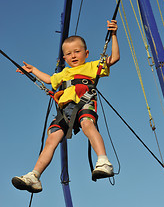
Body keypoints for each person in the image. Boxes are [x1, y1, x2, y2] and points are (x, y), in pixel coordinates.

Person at [12, 20, 120, 193]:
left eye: (77, 52)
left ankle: (104, 161)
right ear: (64, 58)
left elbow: (114, 58)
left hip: (84, 102)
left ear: (86, 53)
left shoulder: (92, 66)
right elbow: (48, 80)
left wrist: (113, 35)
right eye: (69, 53)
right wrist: (32, 70)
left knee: (87, 125)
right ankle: (34, 176)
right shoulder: (63, 73)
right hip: (64, 111)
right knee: (51, 140)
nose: (74, 56)